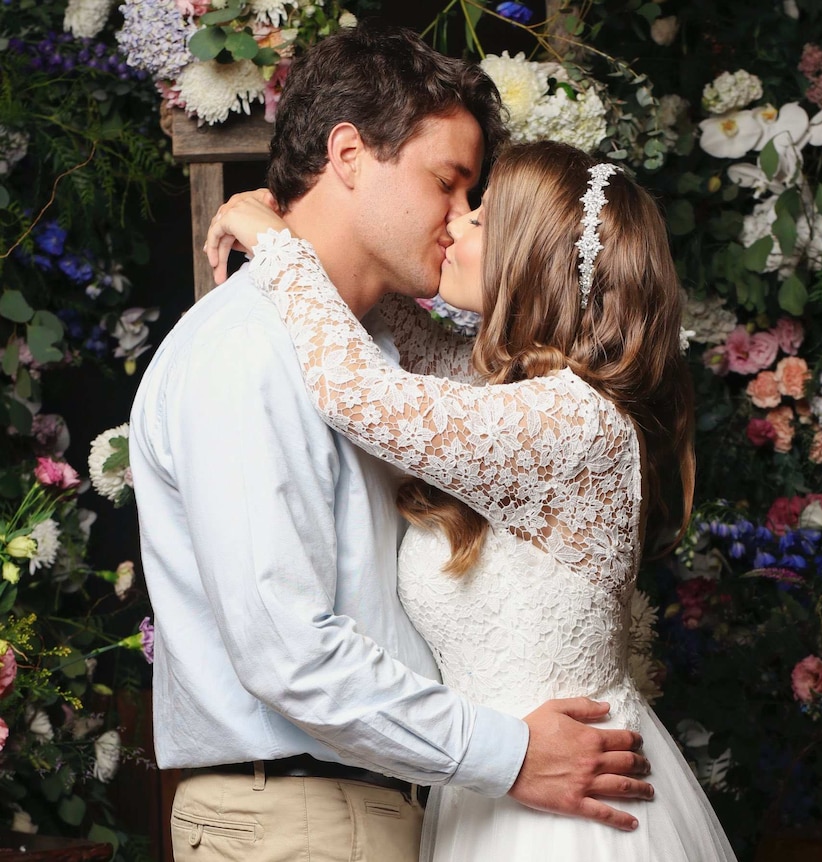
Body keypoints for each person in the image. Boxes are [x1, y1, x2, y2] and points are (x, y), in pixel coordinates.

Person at [130, 21, 653, 862]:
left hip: (405, 805)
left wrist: (274, 234)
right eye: (448, 183)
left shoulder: (378, 349)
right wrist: (509, 754)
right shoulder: (251, 347)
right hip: (297, 819)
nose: (459, 220)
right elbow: (290, 653)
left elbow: (377, 391)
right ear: (348, 153)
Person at [204, 140, 739, 860]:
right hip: (497, 782)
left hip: (566, 809)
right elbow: (387, 318)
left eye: (481, 219)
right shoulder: (505, 388)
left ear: (532, 260)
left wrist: (273, 240)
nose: (455, 226)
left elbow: (360, 393)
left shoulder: (573, 420)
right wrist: (310, 222)